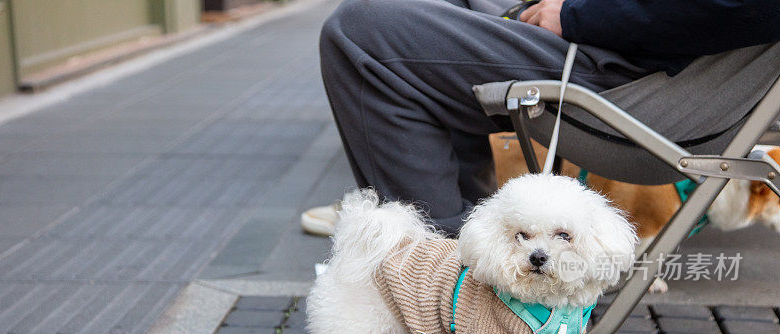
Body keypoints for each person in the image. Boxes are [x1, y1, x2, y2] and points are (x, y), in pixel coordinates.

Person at [300, 0, 780, 236]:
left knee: (357, 34)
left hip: (634, 83)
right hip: (641, 61)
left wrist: (578, 15)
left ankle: (446, 277)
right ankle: (473, 240)